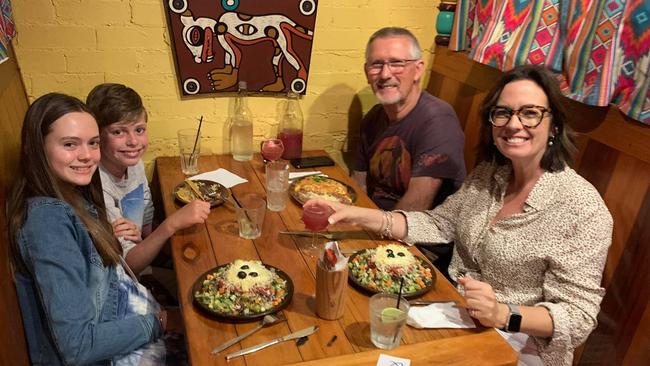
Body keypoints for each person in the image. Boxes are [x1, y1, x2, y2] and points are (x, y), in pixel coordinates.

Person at [308, 65, 613, 365]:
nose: (513, 124)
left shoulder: (581, 207)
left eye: (530, 113)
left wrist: (504, 313)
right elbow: (439, 223)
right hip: (455, 315)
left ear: (554, 126)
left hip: (520, 347)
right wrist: (354, 213)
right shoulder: (489, 175)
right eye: (503, 112)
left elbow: (579, 316)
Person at [7, 93, 176, 364]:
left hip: (130, 310)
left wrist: (110, 236)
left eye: (93, 143)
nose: (86, 156)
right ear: (35, 147)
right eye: (70, 144)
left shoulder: (73, 193)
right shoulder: (47, 223)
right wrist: (156, 324)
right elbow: (79, 346)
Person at [86, 83, 210, 276]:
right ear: (97, 136)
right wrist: (172, 224)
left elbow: (146, 212)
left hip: (144, 253)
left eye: (139, 130)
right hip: (123, 278)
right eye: (118, 132)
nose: (133, 142)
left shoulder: (134, 163)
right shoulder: (96, 185)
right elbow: (130, 266)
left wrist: (148, 240)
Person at [353, 27, 466, 211]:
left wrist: (366, 228)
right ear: (367, 72)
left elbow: (416, 208)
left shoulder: (439, 121)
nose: (385, 74)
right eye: (376, 64)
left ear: (418, 70)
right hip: (374, 222)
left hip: (417, 234)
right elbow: (359, 184)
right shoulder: (372, 118)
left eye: (397, 63)